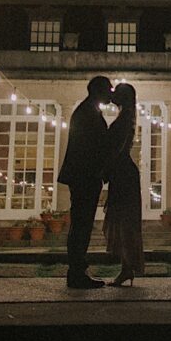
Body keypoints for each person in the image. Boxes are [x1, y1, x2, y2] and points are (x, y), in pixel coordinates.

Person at [57, 75, 112, 289]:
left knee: (81, 224)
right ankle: (77, 272)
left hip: (83, 176)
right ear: (98, 90)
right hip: (84, 177)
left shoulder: (88, 110)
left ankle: (78, 270)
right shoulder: (88, 113)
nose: (111, 92)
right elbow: (91, 148)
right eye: (108, 89)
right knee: (81, 224)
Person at [103, 82, 145, 286]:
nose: (112, 95)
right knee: (122, 221)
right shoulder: (125, 117)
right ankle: (126, 268)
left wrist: (105, 170)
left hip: (123, 174)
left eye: (116, 93)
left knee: (124, 221)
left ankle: (127, 268)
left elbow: (117, 149)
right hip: (122, 172)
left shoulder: (125, 118)